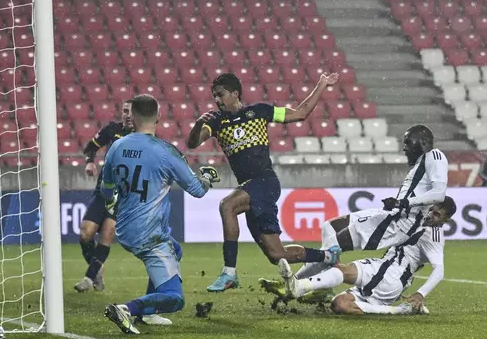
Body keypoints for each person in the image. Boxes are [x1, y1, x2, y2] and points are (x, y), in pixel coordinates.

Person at [186, 72, 341, 293]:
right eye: (214, 97)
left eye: (220, 95)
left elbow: (300, 113)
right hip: (250, 188)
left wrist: (322, 84)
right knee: (276, 254)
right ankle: (328, 255)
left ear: (235, 93)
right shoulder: (216, 122)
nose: (217, 100)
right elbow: (193, 143)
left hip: (265, 182)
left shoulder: (259, 111)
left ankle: (229, 272)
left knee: (227, 205)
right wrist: (199, 123)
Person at [101, 94, 221, 335]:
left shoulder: (116, 146)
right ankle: (128, 309)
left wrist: (112, 203)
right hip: (149, 234)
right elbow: (197, 190)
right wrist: (207, 177)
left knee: (175, 250)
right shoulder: (165, 151)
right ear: (159, 117)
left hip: (124, 228)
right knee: (175, 299)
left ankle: (149, 312)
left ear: (132, 118)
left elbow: (106, 187)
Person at [292, 124, 449, 282]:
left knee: (334, 243)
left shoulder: (435, 156)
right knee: (329, 227)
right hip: (394, 214)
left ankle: (295, 282)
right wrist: (398, 203)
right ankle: (322, 282)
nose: (404, 148)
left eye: (408, 142)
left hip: (402, 222)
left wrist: (402, 202)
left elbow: (438, 194)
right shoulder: (420, 164)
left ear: (423, 142)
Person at [276, 196, 456, 316]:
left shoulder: (434, 236)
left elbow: (439, 270)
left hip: (392, 272)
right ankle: (398, 310)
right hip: (389, 279)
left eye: (437, 214)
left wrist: (420, 293)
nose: (431, 215)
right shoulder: (416, 221)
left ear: (445, 220)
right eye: (431, 210)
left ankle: (298, 286)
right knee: (339, 304)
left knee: (341, 269)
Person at [74, 100, 133, 293]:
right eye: (125, 111)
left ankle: (89, 278)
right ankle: (97, 267)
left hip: (123, 196)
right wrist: (90, 162)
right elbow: (90, 147)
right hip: (103, 190)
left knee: (107, 234)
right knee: (85, 233)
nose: (128, 115)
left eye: (133, 112)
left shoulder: (144, 137)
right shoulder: (111, 130)